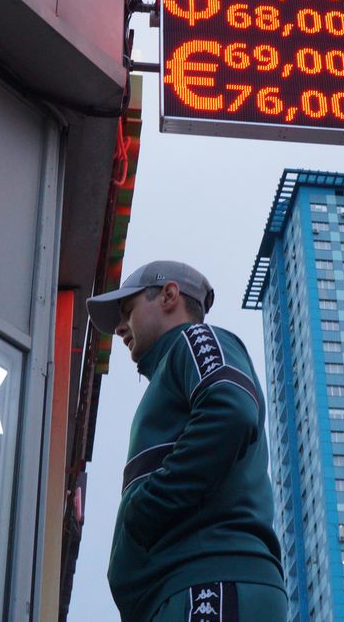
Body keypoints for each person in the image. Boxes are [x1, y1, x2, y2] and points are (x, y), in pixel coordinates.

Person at [86, 261, 286, 622]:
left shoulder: (194, 339)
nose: (119, 328)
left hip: (207, 579)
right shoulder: (173, 366)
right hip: (186, 587)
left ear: (169, 295)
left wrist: (148, 506)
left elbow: (230, 410)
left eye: (128, 311)